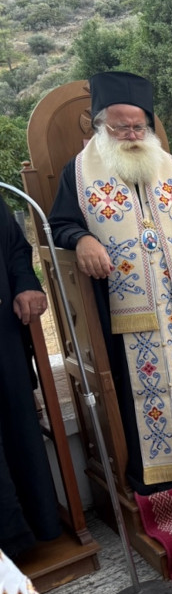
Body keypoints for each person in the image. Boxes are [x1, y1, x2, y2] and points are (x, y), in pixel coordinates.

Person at [49, 71, 172, 494]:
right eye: (121, 126)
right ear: (102, 125)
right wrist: (83, 238)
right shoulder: (80, 173)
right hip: (128, 309)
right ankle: (157, 472)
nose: (132, 134)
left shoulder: (169, 165)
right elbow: (60, 223)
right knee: (141, 393)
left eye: (139, 125)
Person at [1, 200, 61, 557]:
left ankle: (27, 534)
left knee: (17, 424)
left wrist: (26, 284)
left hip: (1, 336)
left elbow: (16, 250)